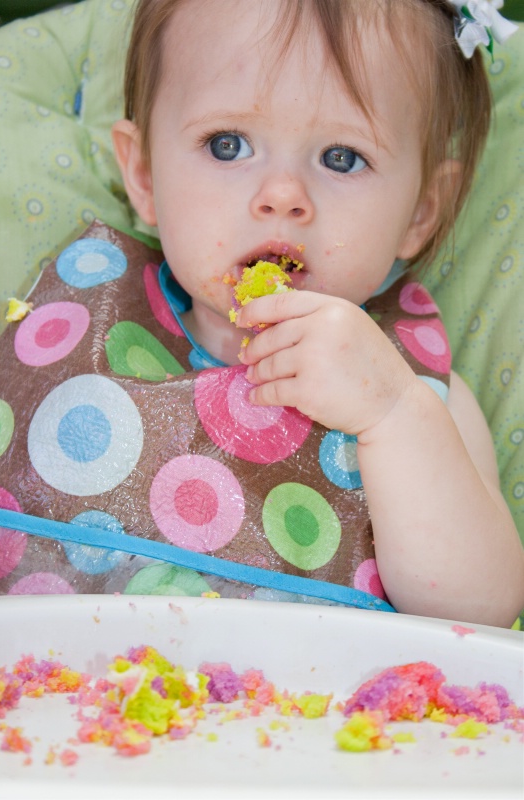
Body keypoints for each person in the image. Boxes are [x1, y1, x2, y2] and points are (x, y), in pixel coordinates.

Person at [109, 0, 524, 626]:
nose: (282, 196)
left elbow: (482, 612)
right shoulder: (75, 320)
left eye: (342, 158)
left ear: (419, 211)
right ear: (142, 173)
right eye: (228, 145)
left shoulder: (410, 390)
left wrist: (389, 414)